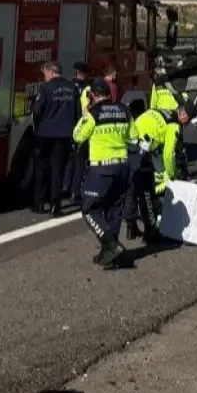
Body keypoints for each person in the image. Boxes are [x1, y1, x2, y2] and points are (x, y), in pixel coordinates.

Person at [73, 78, 132, 268]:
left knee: (89, 209)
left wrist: (84, 112)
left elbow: (77, 135)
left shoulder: (93, 113)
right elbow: (134, 135)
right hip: (122, 166)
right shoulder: (124, 110)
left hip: (101, 169)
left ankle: (111, 244)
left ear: (93, 95)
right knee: (114, 210)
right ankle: (110, 255)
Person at [125, 99, 185, 241]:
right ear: (183, 114)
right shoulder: (174, 125)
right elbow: (169, 153)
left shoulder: (158, 110)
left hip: (129, 144)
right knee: (147, 192)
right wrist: (171, 175)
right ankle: (150, 232)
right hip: (142, 150)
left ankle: (131, 227)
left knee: (131, 190)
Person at [30, 61, 78, 215]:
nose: (44, 77)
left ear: (51, 72)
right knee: (57, 171)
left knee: (41, 169)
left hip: (45, 134)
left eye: (44, 73)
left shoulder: (45, 88)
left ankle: (38, 203)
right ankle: (55, 206)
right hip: (64, 136)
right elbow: (78, 113)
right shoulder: (72, 88)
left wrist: (38, 126)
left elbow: (37, 111)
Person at [64, 62, 91, 204]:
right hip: (81, 128)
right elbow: (87, 110)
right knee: (80, 161)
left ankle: (65, 186)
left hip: (66, 127)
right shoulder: (87, 89)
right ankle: (75, 192)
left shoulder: (68, 86)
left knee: (70, 159)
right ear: (84, 74)